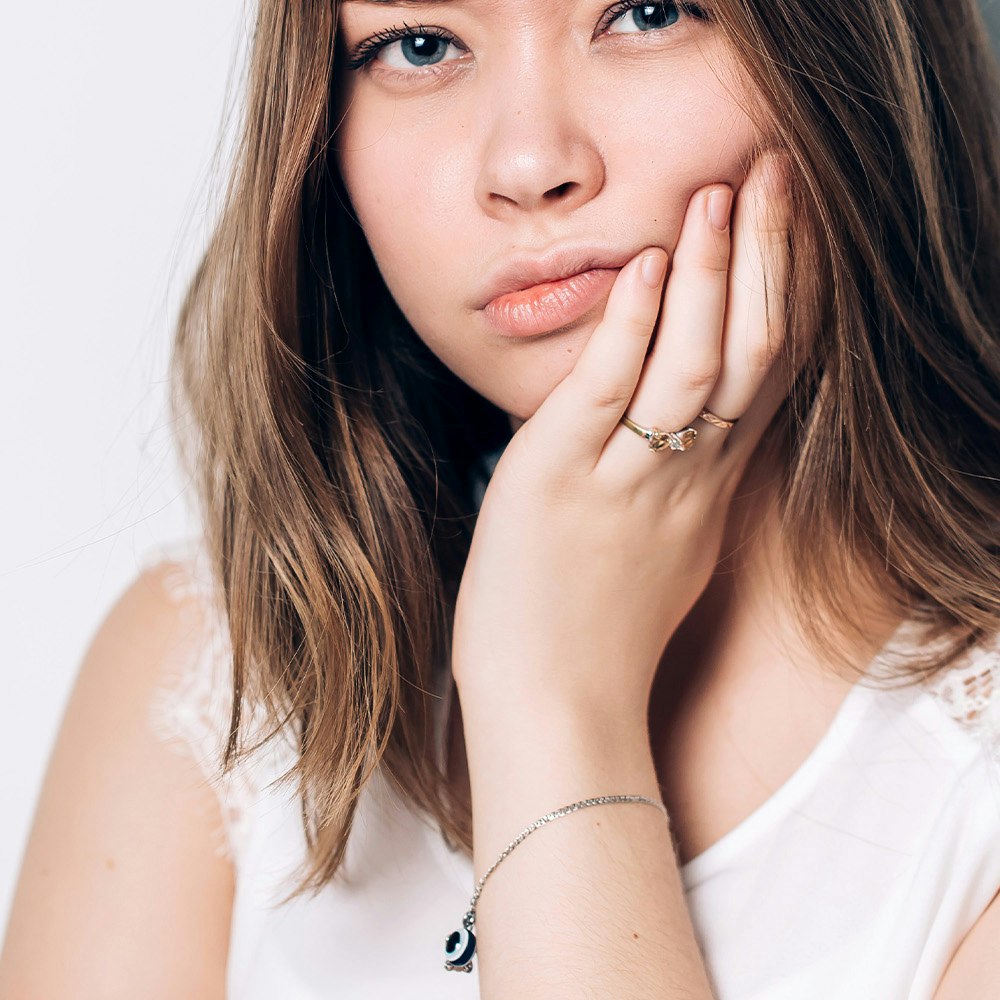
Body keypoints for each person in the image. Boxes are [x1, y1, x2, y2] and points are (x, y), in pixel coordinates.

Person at [2, 0, 999, 996]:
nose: (526, 165)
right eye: (419, 46)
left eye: (646, 13)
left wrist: (554, 700)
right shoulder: (213, 676)